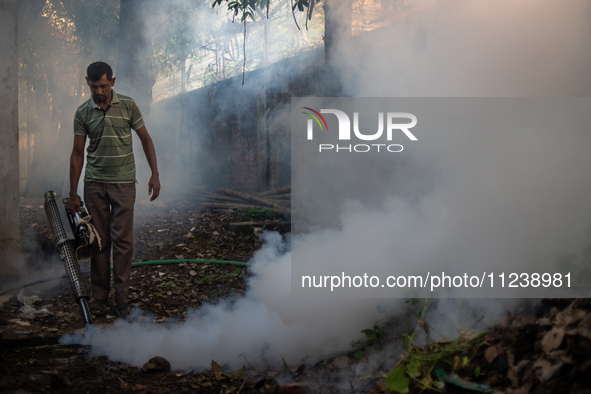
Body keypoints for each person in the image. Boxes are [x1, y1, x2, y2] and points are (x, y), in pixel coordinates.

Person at [67, 62, 161, 318]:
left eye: (104, 86)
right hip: (94, 183)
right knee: (98, 242)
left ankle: (121, 300)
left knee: (123, 242)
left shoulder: (128, 106)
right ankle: (99, 298)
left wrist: (155, 173)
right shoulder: (83, 112)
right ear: (87, 82)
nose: (99, 91)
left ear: (113, 82)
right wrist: (73, 193)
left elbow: (145, 139)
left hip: (123, 183)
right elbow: (77, 154)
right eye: (95, 86)